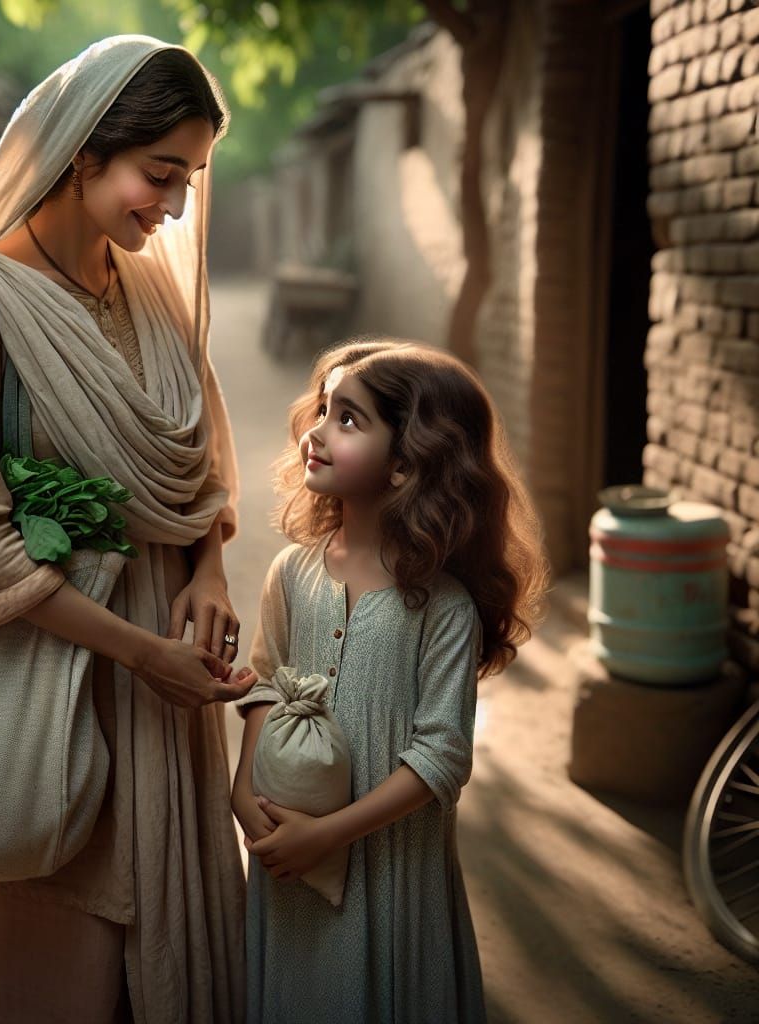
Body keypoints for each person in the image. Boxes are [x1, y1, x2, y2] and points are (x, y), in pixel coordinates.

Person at [0, 36, 252, 1024]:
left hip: (166, 675)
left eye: (189, 181)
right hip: (53, 677)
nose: (174, 207)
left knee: (170, 949)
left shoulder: (147, 287)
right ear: (82, 151)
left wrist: (208, 569)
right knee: (64, 962)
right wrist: (139, 654)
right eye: (159, 174)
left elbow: (199, 453)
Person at [232, 339, 550, 1023]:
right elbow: (266, 683)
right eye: (323, 409)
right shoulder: (290, 573)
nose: (317, 432)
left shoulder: (443, 606)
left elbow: (442, 754)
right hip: (287, 856)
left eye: (348, 419)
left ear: (407, 463)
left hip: (391, 865)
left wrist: (331, 834)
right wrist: (242, 787)